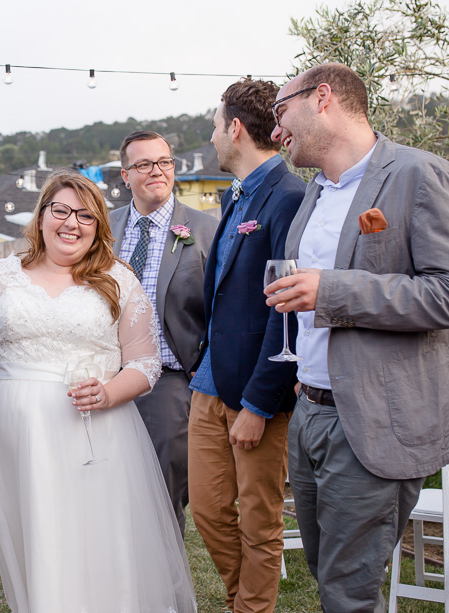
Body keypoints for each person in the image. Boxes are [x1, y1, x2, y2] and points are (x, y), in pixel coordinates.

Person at [265, 63, 449, 612]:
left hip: (373, 424)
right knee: (326, 575)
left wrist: (334, 291)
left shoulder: (419, 175)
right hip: (311, 413)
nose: (274, 131)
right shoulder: (315, 193)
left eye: (279, 110)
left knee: (348, 593)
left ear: (322, 98)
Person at [0, 169, 196, 612]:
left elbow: (146, 364)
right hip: (15, 437)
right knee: (35, 538)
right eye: (62, 210)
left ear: (98, 226)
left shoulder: (118, 279)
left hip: (96, 434)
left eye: (86, 216)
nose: (72, 223)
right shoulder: (1, 277)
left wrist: (108, 393)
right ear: (42, 215)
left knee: (98, 537)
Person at [188, 79, 305, 613]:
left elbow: (288, 314)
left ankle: (251, 608)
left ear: (235, 128)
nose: (213, 135)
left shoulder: (289, 197)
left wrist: (259, 404)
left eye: (216, 124)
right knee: (209, 512)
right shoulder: (236, 197)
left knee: (260, 519)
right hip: (208, 384)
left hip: (255, 394)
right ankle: (243, 601)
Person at [110, 130, 219, 534]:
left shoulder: (206, 230)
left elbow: (220, 313)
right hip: (105, 376)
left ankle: (164, 589)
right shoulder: (103, 229)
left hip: (171, 383)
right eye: (143, 164)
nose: (156, 171)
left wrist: (203, 378)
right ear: (125, 175)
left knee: (160, 493)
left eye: (164, 162)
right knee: (106, 489)